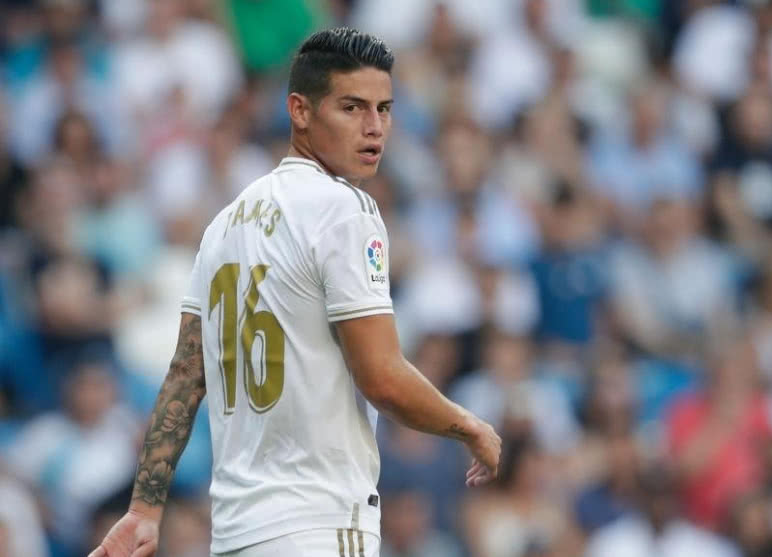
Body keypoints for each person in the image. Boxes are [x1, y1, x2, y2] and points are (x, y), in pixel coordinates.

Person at [88, 27, 502, 557]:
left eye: (384, 109)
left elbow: (185, 376)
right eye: (352, 107)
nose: (374, 127)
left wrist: (144, 510)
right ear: (299, 110)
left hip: (236, 536)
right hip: (319, 525)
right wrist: (469, 426)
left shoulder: (223, 226)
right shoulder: (344, 209)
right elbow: (381, 378)